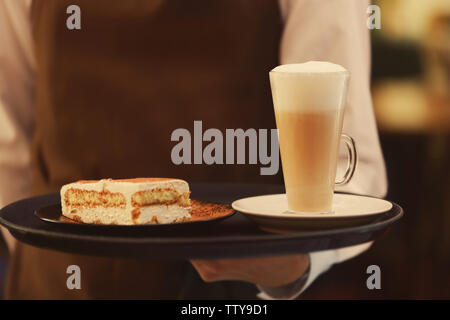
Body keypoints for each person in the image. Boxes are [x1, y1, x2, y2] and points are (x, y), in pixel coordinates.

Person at [0, 0, 387, 299]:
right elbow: (9, 140)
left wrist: (297, 262)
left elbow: (347, 162)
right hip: (52, 283)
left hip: (231, 293)